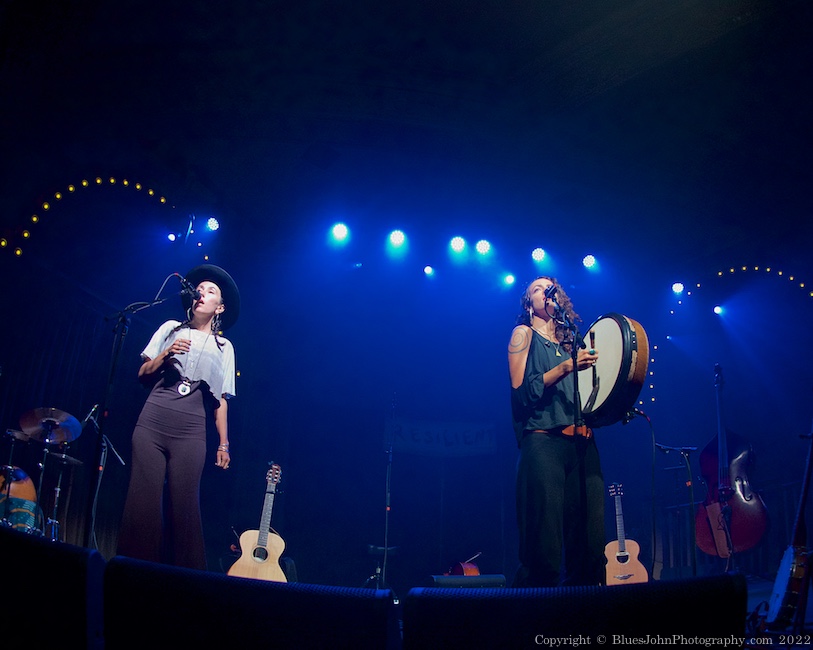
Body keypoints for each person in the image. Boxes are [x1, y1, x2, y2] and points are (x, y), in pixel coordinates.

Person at [117, 264, 239, 570]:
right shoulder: (171, 328)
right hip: (154, 420)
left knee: (184, 508)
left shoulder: (225, 347)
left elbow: (221, 400)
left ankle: (186, 584)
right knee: (142, 504)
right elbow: (143, 372)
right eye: (200, 289)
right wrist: (165, 354)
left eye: (211, 291)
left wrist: (223, 444)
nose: (202, 293)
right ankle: (133, 573)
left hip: (190, 430)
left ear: (219, 307)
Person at [507, 275, 605, 587]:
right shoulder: (522, 335)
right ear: (528, 302)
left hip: (582, 444)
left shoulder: (572, 342)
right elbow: (521, 392)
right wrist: (565, 367)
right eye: (538, 288)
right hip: (543, 442)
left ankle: (586, 623)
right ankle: (535, 620)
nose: (546, 292)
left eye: (551, 288)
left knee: (591, 544)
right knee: (544, 545)